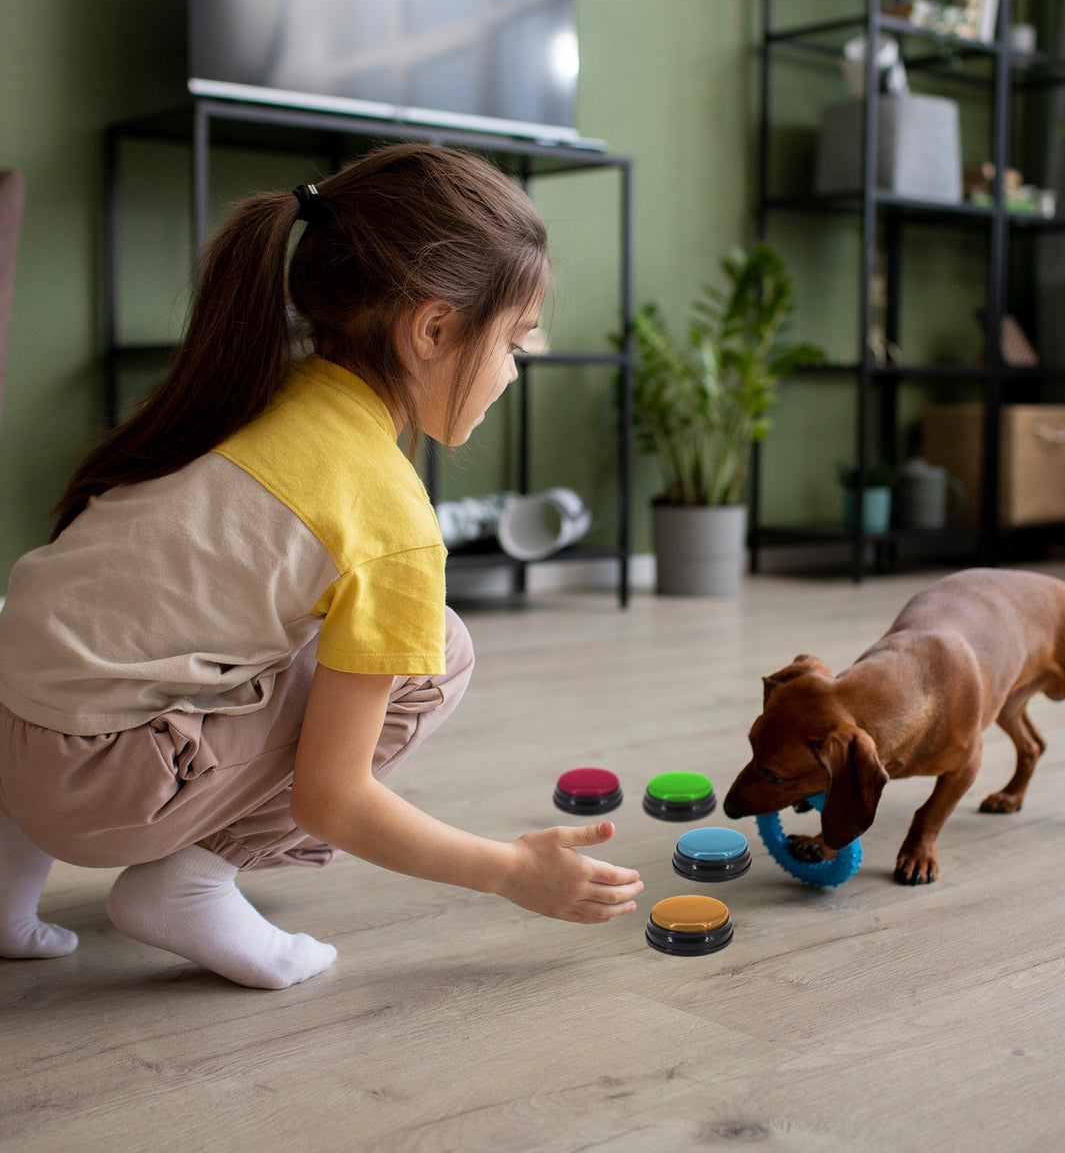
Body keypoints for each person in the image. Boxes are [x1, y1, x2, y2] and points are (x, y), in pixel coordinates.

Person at [0, 143, 643, 989]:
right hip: (96, 788)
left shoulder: (249, 387)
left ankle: (8, 881)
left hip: (14, 726)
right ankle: (186, 885)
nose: (514, 370)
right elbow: (331, 803)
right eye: (515, 342)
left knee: (142, 636)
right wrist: (512, 870)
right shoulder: (388, 517)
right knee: (438, 654)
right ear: (435, 328)